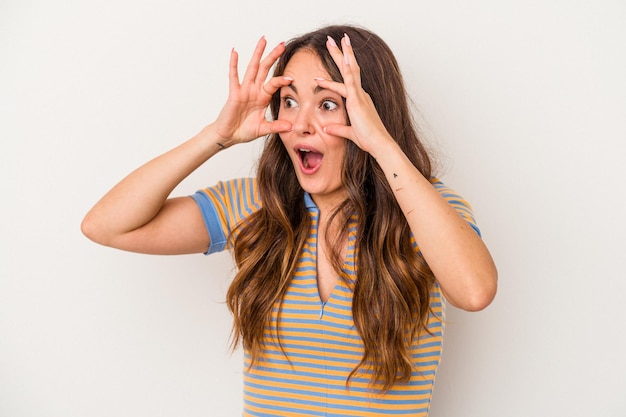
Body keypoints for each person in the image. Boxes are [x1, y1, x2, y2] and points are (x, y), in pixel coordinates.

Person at [82, 24, 497, 417]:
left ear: (369, 114)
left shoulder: (424, 207)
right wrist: (216, 136)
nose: (300, 124)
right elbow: (107, 225)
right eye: (290, 101)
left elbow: (474, 291)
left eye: (329, 104)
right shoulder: (252, 205)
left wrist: (383, 145)